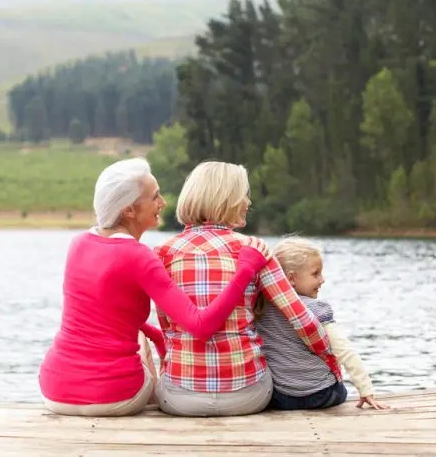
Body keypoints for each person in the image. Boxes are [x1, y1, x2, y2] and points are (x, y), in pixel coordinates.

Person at [38, 158, 270, 417]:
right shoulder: (139, 256)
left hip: (54, 390)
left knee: (127, 329)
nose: (163, 203)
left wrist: (159, 339)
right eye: (155, 197)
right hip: (113, 396)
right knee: (138, 338)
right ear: (129, 211)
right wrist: (246, 270)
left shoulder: (78, 243)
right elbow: (201, 326)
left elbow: (107, 316)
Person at [153, 161, 341, 417]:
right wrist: (331, 360)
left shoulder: (162, 254)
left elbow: (167, 328)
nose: (248, 202)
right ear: (226, 198)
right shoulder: (254, 249)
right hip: (247, 396)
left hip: (181, 399)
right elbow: (302, 321)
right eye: (244, 194)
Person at [256, 236, 388, 410]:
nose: (322, 279)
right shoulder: (315, 309)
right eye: (315, 273)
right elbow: (345, 351)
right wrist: (366, 390)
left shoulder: (261, 308)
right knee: (339, 388)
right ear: (291, 278)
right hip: (321, 395)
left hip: (282, 398)